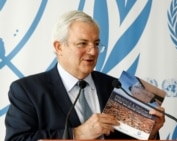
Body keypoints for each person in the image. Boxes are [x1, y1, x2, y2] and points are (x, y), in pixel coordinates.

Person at [4, 10, 165, 140]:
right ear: (59, 47)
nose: (93, 51)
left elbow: (129, 139)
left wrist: (150, 132)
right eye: (82, 44)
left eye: (96, 44)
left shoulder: (116, 86)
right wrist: (77, 134)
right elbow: (17, 139)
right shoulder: (27, 90)